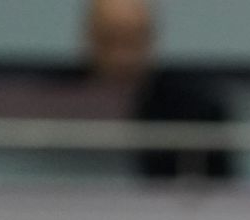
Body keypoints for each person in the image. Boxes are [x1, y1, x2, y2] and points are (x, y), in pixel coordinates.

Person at [85, 0, 228, 180]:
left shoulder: (196, 109)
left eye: (132, 41)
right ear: (89, 38)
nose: (122, 55)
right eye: (110, 40)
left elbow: (225, 194)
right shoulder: (54, 104)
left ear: (151, 39)